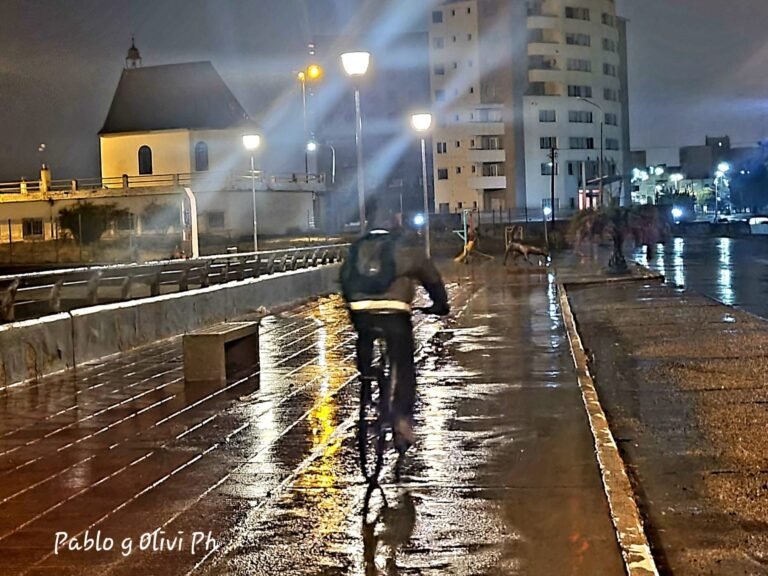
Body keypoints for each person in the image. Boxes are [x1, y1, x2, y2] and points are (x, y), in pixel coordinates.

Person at [340, 201, 449, 452]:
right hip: (394, 314)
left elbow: (344, 279)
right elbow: (430, 276)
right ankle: (401, 419)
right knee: (404, 363)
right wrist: (440, 304)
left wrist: (353, 309)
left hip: (361, 313)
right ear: (393, 222)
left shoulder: (358, 247)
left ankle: (366, 375)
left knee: (365, 335)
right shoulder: (405, 246)